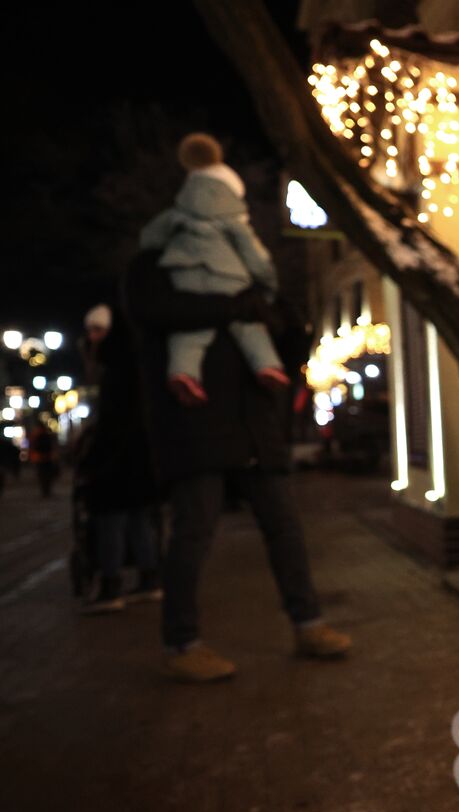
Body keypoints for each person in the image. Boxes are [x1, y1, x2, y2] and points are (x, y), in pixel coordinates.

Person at [125, 137, 350, 683]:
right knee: (194, 531)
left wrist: (286, 326)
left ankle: (308, 623)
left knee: (285, 527)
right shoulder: (156, 259)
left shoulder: (251, 270)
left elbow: (286, 349)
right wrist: (232, 305)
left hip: (255, 422)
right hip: (196, 420)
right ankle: (182, 643)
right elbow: (153, 312)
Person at [137, 133, 288, 406]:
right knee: (247, 324)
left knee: (190, 330)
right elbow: (254, 255)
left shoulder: (179, 211)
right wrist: (268, 284)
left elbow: (150, 236)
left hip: (183, 271)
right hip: (227, 275)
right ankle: (267, 366)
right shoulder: (233, 219)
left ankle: (183, 373)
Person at [74, 303, 163, 614]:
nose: (92, 337)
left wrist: (93, 461)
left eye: (97, 331)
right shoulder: (135, 365)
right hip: (138, 458)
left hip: (117, 460)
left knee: (110, 520)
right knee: (138, 519)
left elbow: (113, 422)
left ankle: (111, 584)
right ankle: (149, 578)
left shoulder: (115, 370)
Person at [27, 418, 59, 497]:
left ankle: (46, 490)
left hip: (42, 458)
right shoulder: (42, 435)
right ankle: (46, 490)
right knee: (45, 476)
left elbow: (35, 446)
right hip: (43, 458)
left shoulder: (39, 435)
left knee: (44, 475)